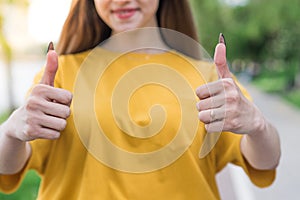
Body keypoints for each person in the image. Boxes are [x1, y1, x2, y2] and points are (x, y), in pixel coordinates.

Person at [0, 0, 281, 199]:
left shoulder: (208, 76)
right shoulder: (60, 74)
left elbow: (265, 162)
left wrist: (257, 125)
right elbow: (8, 166)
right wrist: (11, 132)